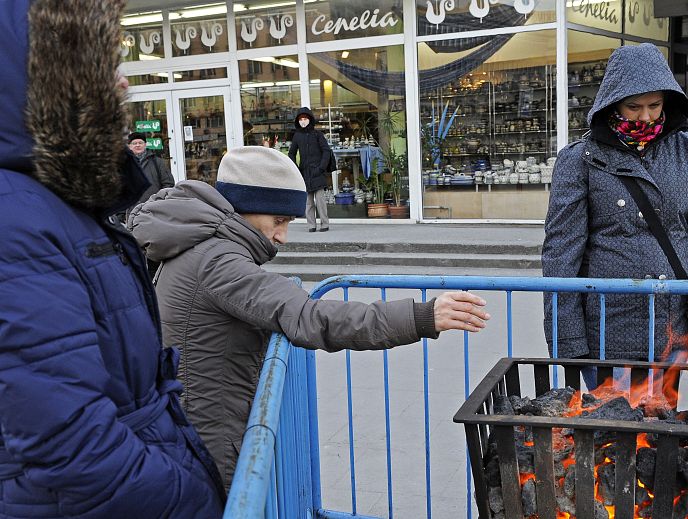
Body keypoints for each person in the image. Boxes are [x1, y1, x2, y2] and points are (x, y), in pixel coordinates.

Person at [127, 146, 490, 488]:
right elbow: (311, 317)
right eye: (279, 220)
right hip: (210, 436)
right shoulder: (218, 262)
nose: (282, 237)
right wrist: (423, 316)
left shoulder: (200, 244)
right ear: (243, 207)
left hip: (194, 421)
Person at [0, 1, 224, 517]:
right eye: (102, 67)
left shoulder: (59, 204)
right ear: (52, 85)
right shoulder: (17, 219)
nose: (123, 83)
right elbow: (72, 445)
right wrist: (190, 499)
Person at [542, 44, 688, 390]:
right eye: (634, 107)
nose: (645, 117)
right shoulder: (579, 160)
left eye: (655, 105)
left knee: (660, 429)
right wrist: (567, 341)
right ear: (612, 103)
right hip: (606, 327)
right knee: (612, 431)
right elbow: (561, 255)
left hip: (671, 322)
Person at [288, 107, 332, 232]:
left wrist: (321, 167)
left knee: (320, 200)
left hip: (317, 172)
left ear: (310, 119)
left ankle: (325, 223)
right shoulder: (297, 136)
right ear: (298, 121)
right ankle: (311, 225)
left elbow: (326, 151)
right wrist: (296, 169)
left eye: (305, 119)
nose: (303, 121)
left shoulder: (318, 135)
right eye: (301, 119)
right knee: (308, 202)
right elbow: (291, 153)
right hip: (304, 172)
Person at [126, 131, 175, 210]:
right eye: (134, 143)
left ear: (145, 145)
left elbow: (168, 184)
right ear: (129, 146)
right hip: (131, 210)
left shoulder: (157, 162)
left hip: (154, 209)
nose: (138, 145)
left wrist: (160, 201)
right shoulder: (124, 164)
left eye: (140, 143)